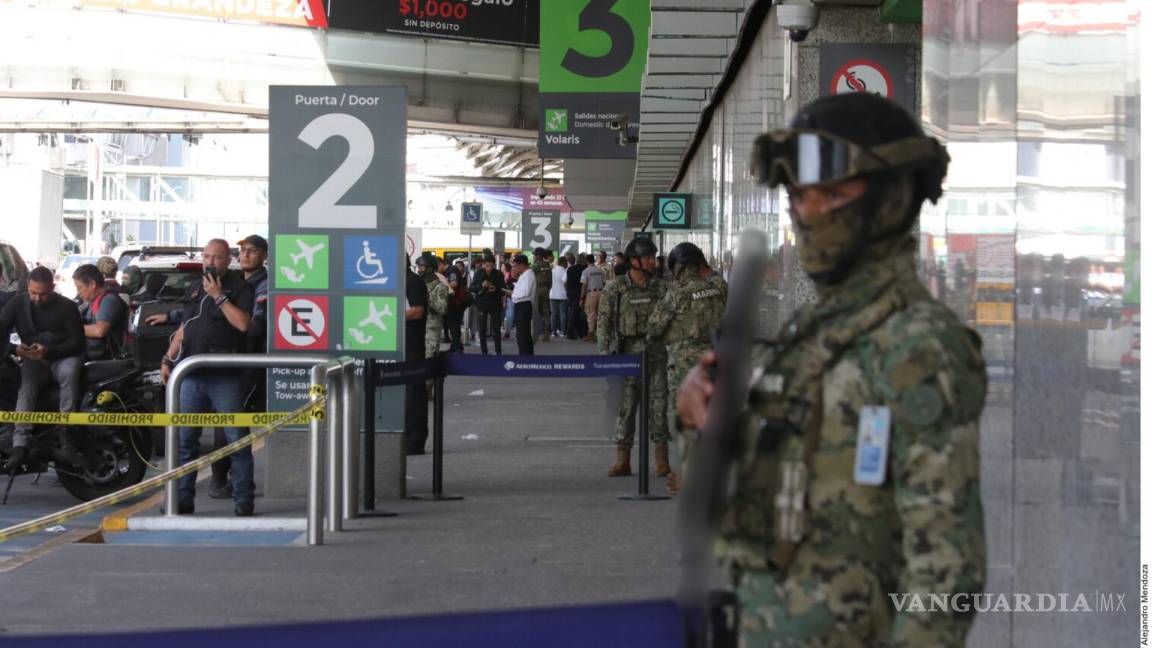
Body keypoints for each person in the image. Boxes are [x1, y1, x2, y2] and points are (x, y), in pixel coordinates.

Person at [676, 92, 987, 645]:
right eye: (799, 195)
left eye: (834, 195)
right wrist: (704, 419)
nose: (809, 212)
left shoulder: (916, 344)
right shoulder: (814, 331)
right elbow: (749, 499)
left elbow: (946, 573)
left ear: (891, 201)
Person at [159, 239, 255, 516]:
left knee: (236, 439)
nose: (210, 262)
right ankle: (181, 499)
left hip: (225, 375)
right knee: (184, 440)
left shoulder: (241, 288)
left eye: (217, 257)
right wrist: (168, 357)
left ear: (228, 261)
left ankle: (243, 500)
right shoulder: (193, 288)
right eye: (207, 256)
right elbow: (184, 328)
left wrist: (218, 296)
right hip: (191, 373)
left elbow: (243, 324)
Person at [646, 242, 725, 494]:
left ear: (678, 267)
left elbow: (655, 328)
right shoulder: (717, 289)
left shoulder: (677, 292)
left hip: (683, 365)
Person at [0, 266, 85, 469]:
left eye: (43, 294)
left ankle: (65, 428)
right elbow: (2, 331)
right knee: (26, 387)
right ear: (27, 286)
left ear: (53, 288)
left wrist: (48, 351)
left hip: (63, 357)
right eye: (33, 293)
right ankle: (20, 443)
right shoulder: (17, 304)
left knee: (70, 372)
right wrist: (14, 349)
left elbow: (77, 343)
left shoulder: (67, 307)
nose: (37, 298)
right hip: (34, 360)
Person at [596, 238, 668, 477]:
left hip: (656, 355)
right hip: (625, 356)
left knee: (658, 406)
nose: (653, 262)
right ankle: (622, 460)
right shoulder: (615, 288)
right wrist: (604, 358)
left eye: (654, 257)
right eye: (648, 257)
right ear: (634, 261)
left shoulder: (661, 288)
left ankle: (661, 460)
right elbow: (603, 323)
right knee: (625, 409)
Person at [209, 234, 268, 500]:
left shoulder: (264, 285)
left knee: (230, 422)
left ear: (264, 255)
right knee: (225, 422)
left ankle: (226, 481)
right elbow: (205, 312)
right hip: (229, 360)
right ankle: (222, 480)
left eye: (252, 250)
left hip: (251, 361)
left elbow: (254, 328)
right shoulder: (230, 283)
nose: (245, 255)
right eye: (242, 250)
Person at [73, 263, 128, 361]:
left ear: (92, 285)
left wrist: (71, 329)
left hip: (104, 358)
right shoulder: (92, 301)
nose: (78, 292)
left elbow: (100, 330)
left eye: (80, 287)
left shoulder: (108, 300)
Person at [403, 255, 429, 455]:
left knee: (413, 390)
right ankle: (408, 436)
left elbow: (417, 311)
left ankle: (415, 439)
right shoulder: (401, 281)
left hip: (412, 344)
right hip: (403, 344)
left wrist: (391, 314)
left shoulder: (413, 282)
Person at [470, 255, 505, 355]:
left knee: (496, 329)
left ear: (494, 265)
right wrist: (481, 285)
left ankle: (498, 352)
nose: (489, 268)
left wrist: (496, 289)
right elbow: (471, 288)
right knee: (482, 328)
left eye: (491, 266)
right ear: (484, 264)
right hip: (482, 303)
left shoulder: (498, 274)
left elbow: (503, 290)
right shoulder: (479, 273)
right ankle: (484, 352)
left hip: (495, 303)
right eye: (487, 265)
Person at [416, 253, 449, 360]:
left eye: (421, 267)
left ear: (429, 268)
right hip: (418, 327)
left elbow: (442, 308)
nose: (418, 270)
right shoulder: (420, 284)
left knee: (429, 358)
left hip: (431, 329)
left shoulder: (440, 287)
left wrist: (427, 299)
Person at [509, 254, 535, 355]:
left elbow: (526, 292)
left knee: (523, 334)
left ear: (522, 265)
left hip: (524, 306)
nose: (514, 268)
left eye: (515, 266)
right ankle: (526, 355)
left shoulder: (528, 274)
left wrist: (513, 294)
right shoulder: (524, 275)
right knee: (522, 333)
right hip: (521, 305)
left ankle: (524, 356)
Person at [580, 254, 607, 342]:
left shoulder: (586, 271)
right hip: (601, 293)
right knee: (599, 314)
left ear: (586, 261)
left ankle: (591, 334)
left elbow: (584, 285)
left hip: (591, 294)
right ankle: (598, 334)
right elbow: (604, 283)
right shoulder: (600, 270)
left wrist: (581, 298)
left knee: (591, 313)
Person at [529, 248, 552, 342]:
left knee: (535, 313)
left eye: (534, 255)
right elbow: (550, 280)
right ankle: (546, 335)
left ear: (538, 256)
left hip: (537, 290)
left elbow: (530, 279)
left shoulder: (534, 266)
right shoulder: (547, 265)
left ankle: (534, 334)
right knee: (546, 313)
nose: (533, 256)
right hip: (545, 290)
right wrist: (547, 288)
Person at [564, 253, 586, 339]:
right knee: (574, 313)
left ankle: (580, 333)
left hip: (569, 292)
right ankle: (569, 333)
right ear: (583, 260)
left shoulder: (570, 269)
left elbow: (565, 282)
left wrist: (567, 291)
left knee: (574, 313)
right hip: (578, 292)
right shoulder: (584, 269)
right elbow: (583, 283)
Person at [549, 255, 569, 338]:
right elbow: (565, 282)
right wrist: (566, 290)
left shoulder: (552, 270)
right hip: (563, 295)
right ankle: (563, 331)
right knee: (563, 313)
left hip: (553, 294)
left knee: (554, 313)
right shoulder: (564, 271)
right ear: (563, 263)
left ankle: (553, 332)